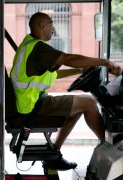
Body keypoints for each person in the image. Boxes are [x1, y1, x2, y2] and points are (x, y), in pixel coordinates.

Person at [10, 12, 122, 170]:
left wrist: (78, 71)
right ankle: (109, 148)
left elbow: (50, 73)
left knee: (77, 108)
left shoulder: (29, 45)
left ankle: (54, 153)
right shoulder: (38, 48)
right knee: (89, 102)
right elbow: (68, 59)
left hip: (30, 102)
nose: (53, 29)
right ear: (41, 26)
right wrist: (104, 62)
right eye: (50, 24)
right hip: (32, 106)